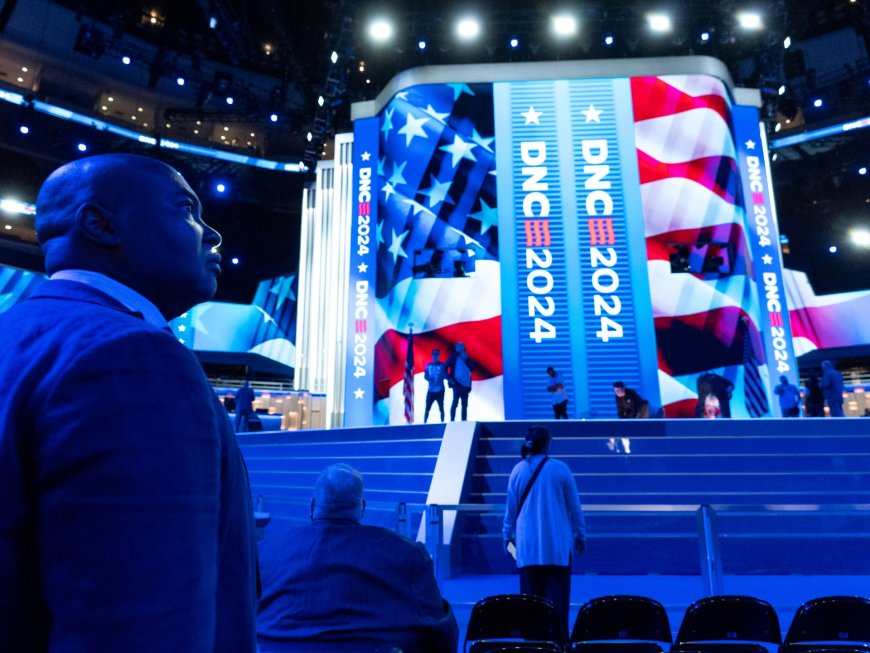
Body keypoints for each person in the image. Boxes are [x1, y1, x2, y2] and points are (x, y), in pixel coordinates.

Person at [0, 154, 258, 652]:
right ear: (99, 224)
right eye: (186, 209)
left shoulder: (16, 338)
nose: (212, 234)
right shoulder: (132, 356)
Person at [257, 464, 458, 653]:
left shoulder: (267, 552)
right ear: (362, 507)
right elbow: (439, 633)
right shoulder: (407, 553)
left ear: (312, 506)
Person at [503, 427, 586, 637]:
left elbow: (510, 511)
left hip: (527, 549)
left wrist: (507, 537)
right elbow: (575, 508)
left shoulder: (518, 471)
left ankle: (532, 646)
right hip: (558, 549)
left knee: (530, 608)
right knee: (558, 610)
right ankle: (558, 645)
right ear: (548, 444)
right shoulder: (561, 469)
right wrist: (580, 535)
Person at [446, 341, 474, 421]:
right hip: (457, 382)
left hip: (466, 384)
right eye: (458, 346)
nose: (460, 348)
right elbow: (444, 367)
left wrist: (466, 358)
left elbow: (472, 368)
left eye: (462, 346)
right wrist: (449, 378)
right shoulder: (453, 356)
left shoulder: (467, 357)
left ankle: (464, 421)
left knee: (464, 405)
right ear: (456, 348)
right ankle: (452, 420)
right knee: (455, 402)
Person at [423, 348, 448, 422]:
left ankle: (442, 422)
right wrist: (429, 379)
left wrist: (444, 378)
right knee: (427, 408)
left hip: (440, 390)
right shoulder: (428, 365)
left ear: (439, 355)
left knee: (441, 407)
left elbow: (445, 375)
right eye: (434, 354)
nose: (435, 356)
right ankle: (424, 422)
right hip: (430, 390)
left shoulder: (442, 365)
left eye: (437, 354)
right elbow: (425, 376)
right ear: (432, 355)